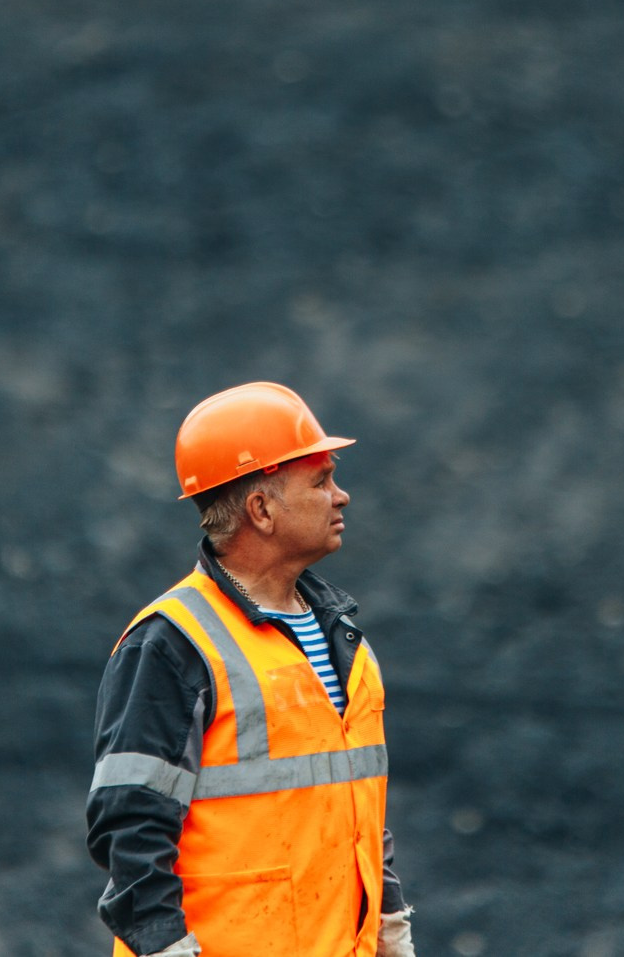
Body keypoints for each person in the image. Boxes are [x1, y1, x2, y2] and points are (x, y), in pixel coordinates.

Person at [87, 382, 417, 957]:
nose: (341, 497)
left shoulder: (341, 636)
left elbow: (355, 813)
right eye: (320, 481)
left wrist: (388, 925)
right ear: (261, 510)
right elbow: (130, 827)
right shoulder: (173, 644)